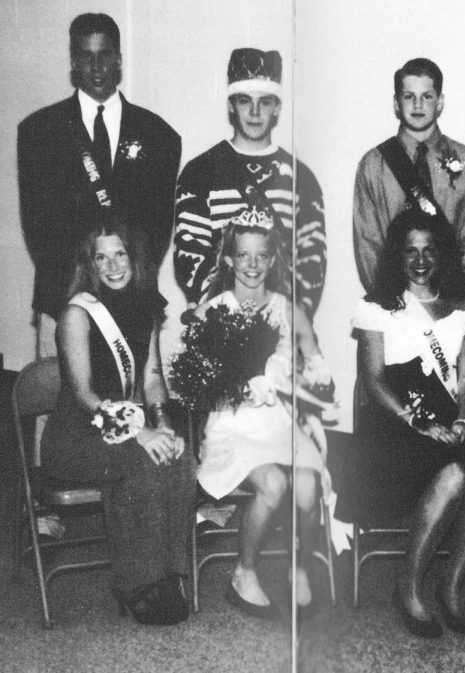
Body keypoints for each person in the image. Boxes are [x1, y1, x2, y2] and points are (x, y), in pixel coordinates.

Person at [346, 208, 465, 637]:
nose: (419, 260)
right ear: (397, 256)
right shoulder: (378, 308)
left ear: (443, 255)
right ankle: (409, 587)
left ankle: (451, 585)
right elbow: (373, 378)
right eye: (410, 250)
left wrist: (464, 420)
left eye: (429, 250)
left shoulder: (461, 309)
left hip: (449, 416)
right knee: (452, 473)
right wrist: (414, 422)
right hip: (395, 422)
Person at [41, 213, 194, 625]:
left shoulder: (145, 305)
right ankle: (136, 584)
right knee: (138, 461)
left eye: (120, 254)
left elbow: (152, 378)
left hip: (129, 424)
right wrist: (140, 432)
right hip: (78, 434)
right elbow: (85, 395)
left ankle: (167, 576)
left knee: (180, 456)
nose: (112, 265)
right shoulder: (78, 313)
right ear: (89, 264)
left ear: (133, 256)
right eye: (101, 257)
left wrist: (163, 426)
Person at [194, 207, 331, 619]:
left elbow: (315, 370)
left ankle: (300, 571)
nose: (252, 265)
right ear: (229, 259)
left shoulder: (289, 310)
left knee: (309, 479)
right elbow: (197, 385)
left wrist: (303, 373)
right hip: (231, 425)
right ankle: (244, 572)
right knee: (272, 482)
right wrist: (232, 384)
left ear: (272, 260)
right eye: (243, 255)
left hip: (277, 421)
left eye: (261, 256)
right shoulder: (210, 311)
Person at [18, 13, 181, 357]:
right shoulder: (38, 132)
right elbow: (37, 226)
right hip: (61, 297)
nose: (96, 66)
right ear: (73, 62)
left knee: (130, 407)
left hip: (131, 298)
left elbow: (159, 228)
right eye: (86, 56)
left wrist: (121, 280)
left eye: (105, 55)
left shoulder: (159, 136)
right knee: (59, 404)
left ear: (119, 59)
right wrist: (80, 288)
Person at [174, 47, 326, 316]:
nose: (254, 112)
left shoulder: (301, 178)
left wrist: (282, 316)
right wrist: (227, 315)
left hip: (281, 325)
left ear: (277, 107)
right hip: (218, 322)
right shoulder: (199, 172)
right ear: (231, 104)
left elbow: (312, 263)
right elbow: (190, 255)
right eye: (245, 100)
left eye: (265, 101)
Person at [353, 57, 465, 293]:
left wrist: (450, 301)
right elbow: (368, 243)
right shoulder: (374, 164)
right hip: (390, 306)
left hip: (448, 305)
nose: (417, 105)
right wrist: (387, 301)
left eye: (427, 96)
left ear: (440, 102)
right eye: (408, 96)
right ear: (396, 103)